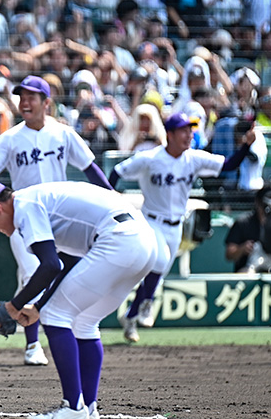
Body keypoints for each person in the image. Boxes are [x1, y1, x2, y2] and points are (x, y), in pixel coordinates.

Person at [0, 180, 158, 419]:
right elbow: (65, 262)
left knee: (57, 316)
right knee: (84, 322)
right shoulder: (36, 200)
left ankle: (73, 408)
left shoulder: (25, 206)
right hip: (143, 242)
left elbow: (50, 266)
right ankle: (88, 411)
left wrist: (14, 306)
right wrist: (36, 307)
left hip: (119, 241)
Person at [0, 75, 113, 367]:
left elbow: (90, 167)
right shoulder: (11, 138)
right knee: (33, 275)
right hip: (21, 218)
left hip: (59, 219)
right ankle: (32, 344)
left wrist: (113, 197)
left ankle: (70, 332)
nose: (25, 102)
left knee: (60, 275)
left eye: (31, 97)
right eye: (21, 97)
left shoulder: (63, 134)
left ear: (46, 103)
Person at [109, 113, 257, 342]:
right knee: (157, 264)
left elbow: (229, 165)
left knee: (158, 274)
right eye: (184, 130)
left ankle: (131, 318)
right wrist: (110, 198)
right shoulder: (149, 158)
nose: (189, 135)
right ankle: (147, 305)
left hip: (176, 226)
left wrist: (246, 146)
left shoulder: (193, 158)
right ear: (169, 134)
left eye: (191, 130)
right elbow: (117, 171)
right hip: (151, 222)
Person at [224, 182, 271, 273]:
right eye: (265, 204)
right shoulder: (243, 222)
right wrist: (242, 249)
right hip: (249, 272)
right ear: (257, 203)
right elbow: (229, 254)